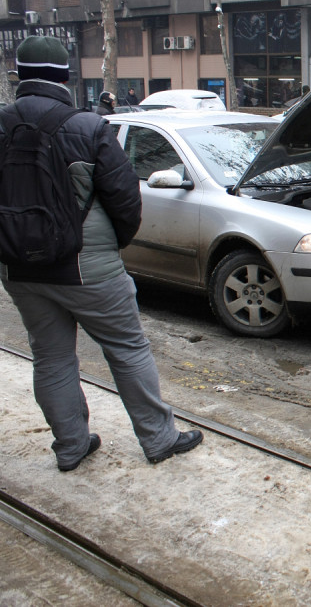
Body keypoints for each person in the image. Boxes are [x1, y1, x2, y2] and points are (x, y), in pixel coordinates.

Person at [0, 36, 202, 471]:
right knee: (128, 348)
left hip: (18, 266)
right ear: (65, 78)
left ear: (19, 76)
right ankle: (159, 438)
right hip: (88, 266)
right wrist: (112, 246)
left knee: (50, 356)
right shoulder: (88, 127)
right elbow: (126, 199)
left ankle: (71, 446)